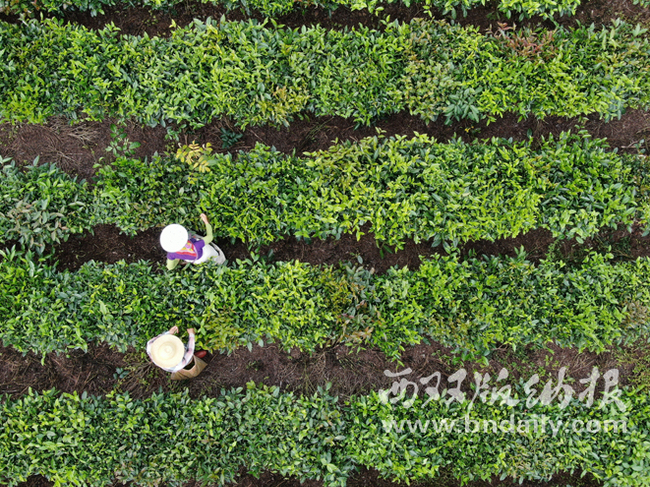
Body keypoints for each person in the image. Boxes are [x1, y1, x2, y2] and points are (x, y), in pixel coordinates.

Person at [160, 213, 226, 270]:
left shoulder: (172, 254)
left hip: (196, 260)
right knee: (215, 257)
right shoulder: (196, 245)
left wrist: (177, 259)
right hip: (206, 253)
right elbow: (210, 237)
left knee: (205, 263)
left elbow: (170, 267)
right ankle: (221, 262)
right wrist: (206, 222)